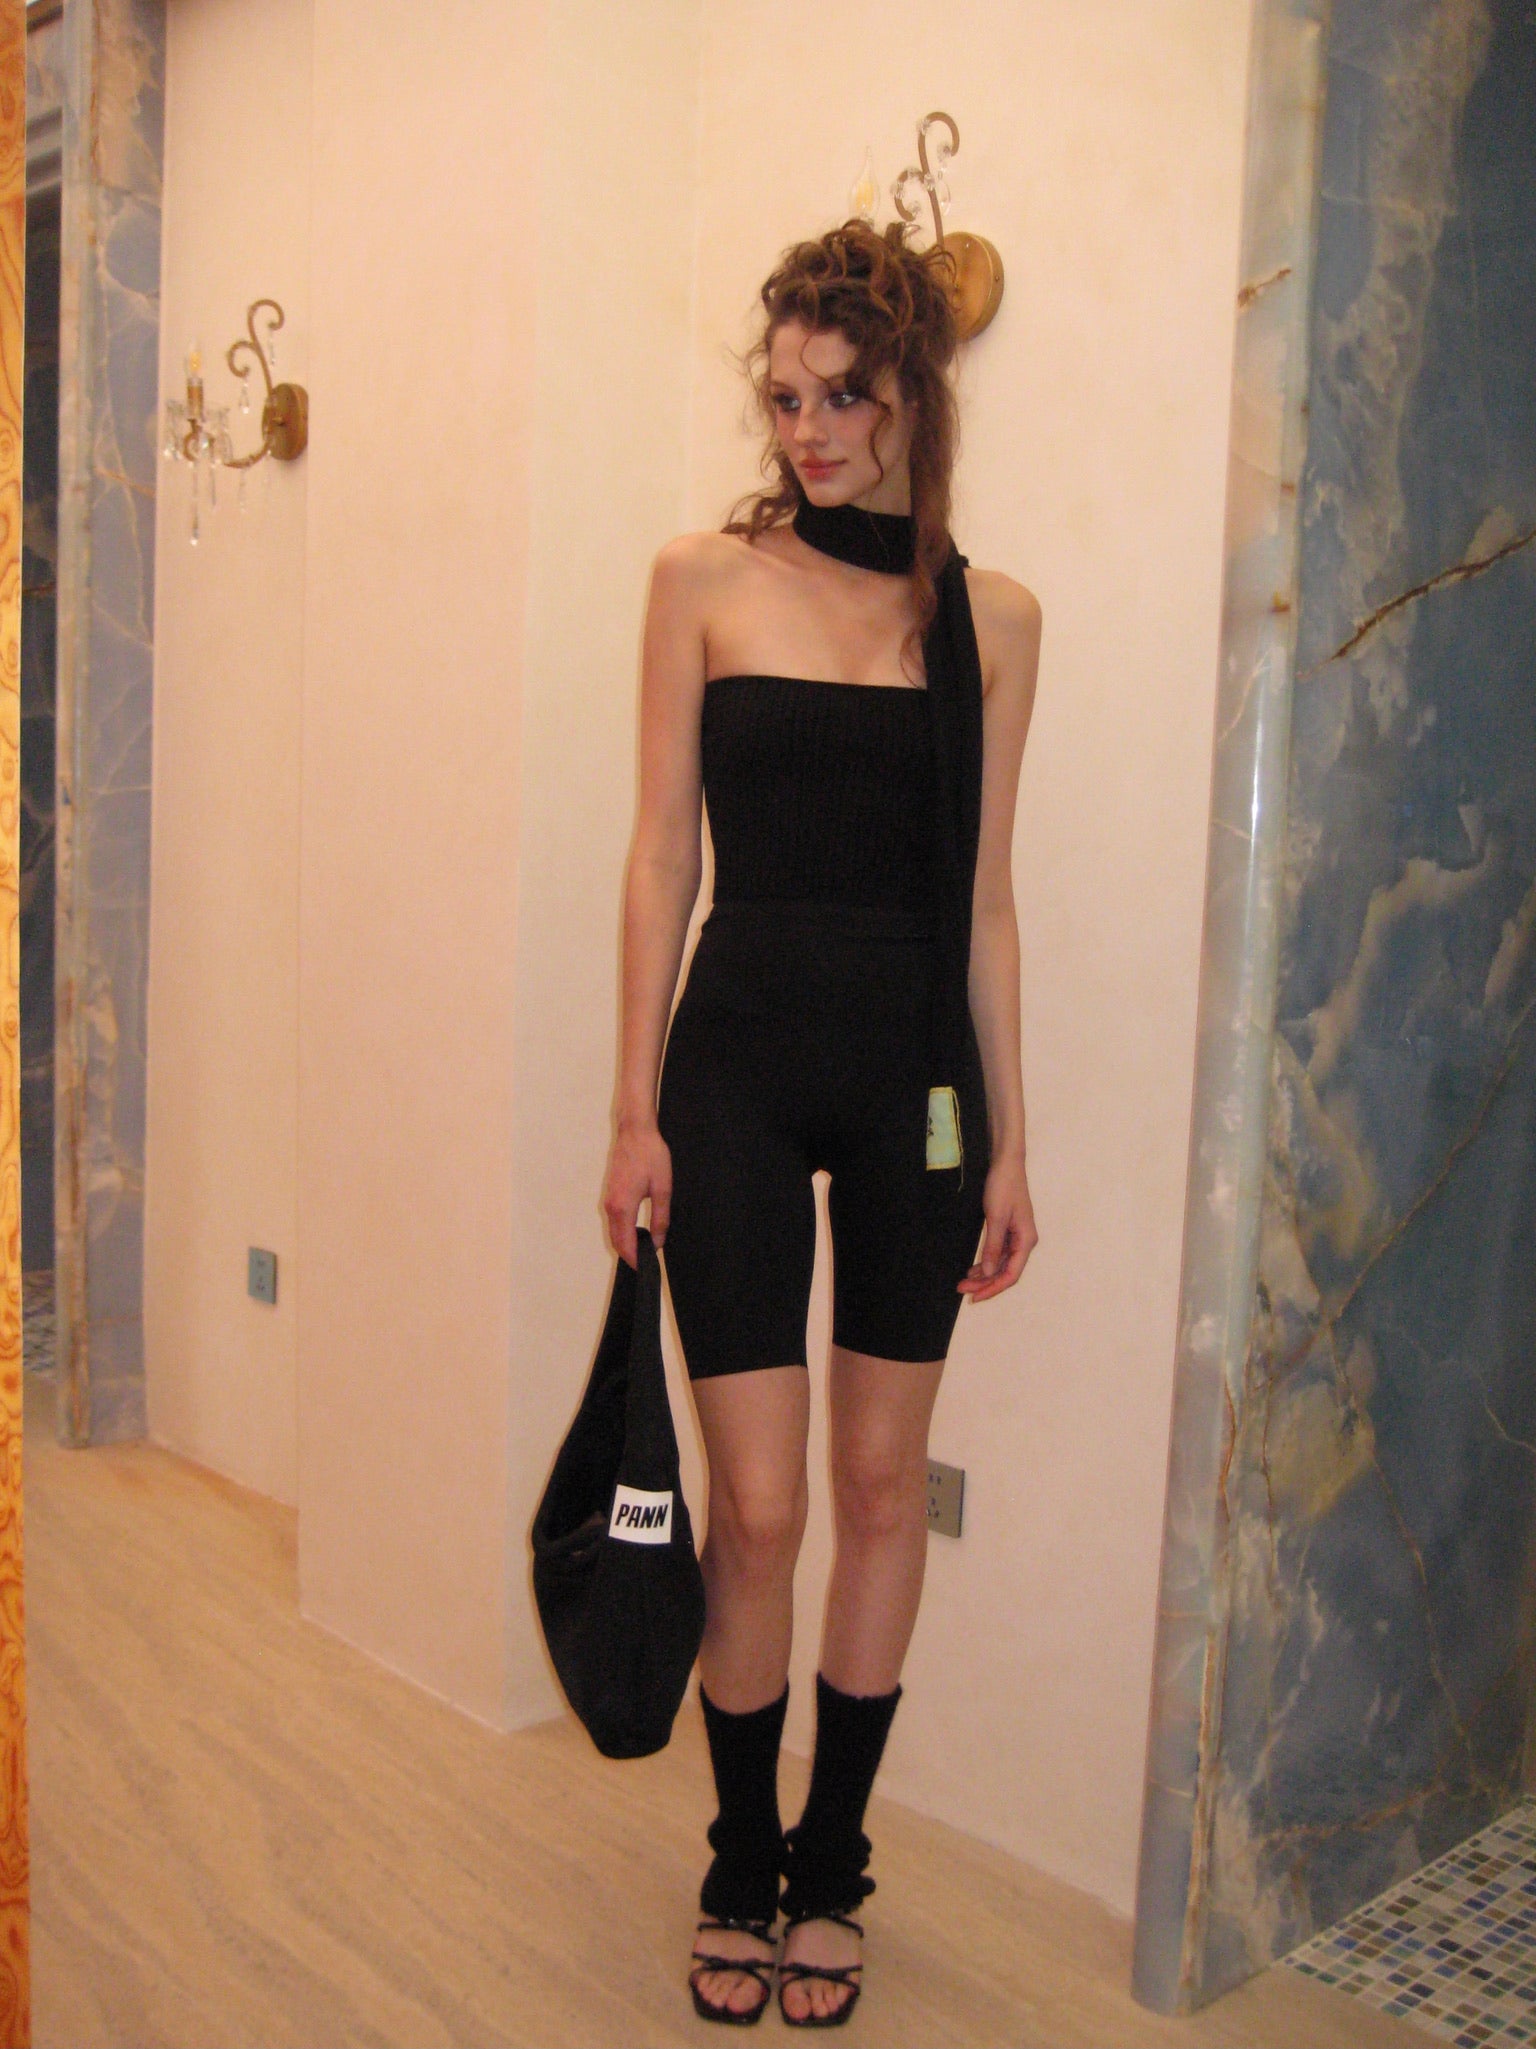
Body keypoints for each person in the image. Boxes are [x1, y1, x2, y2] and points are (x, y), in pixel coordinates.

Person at [601, 219, 1041, 2028]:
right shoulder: (702, 579)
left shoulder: (992, 622)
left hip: (918, 1088)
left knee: (878, 1489)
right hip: (735, 1077)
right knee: (762, 1508)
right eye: (784, 398)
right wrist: (631, 1103)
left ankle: (830, 1870)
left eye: (843, 396)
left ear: (913, 395)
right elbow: (660, 856)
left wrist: (1012, 1140)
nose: (809, 430)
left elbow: (987, 899)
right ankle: (737, 1855)